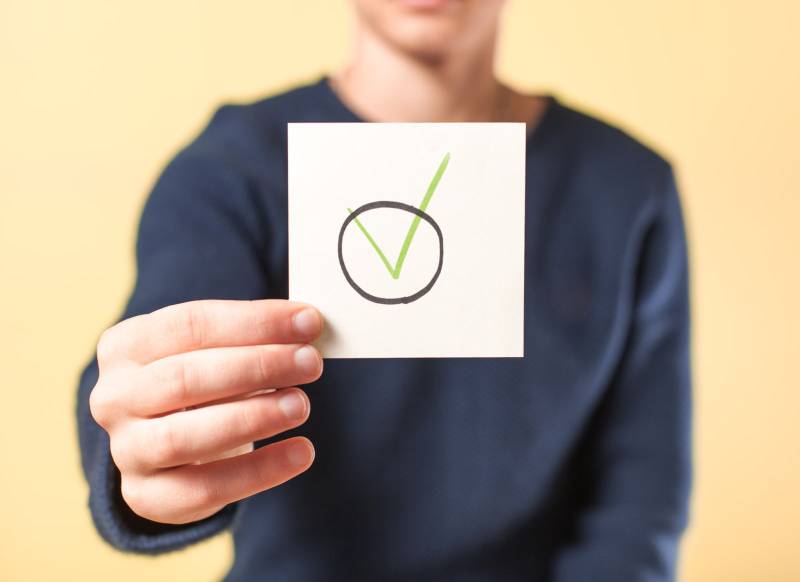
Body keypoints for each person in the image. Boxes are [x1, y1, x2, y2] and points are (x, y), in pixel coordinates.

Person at [76, 0, 692, 580]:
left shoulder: (627, 189)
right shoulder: (231, 170)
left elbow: (639, 506)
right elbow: (153, 360)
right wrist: (139, 447)